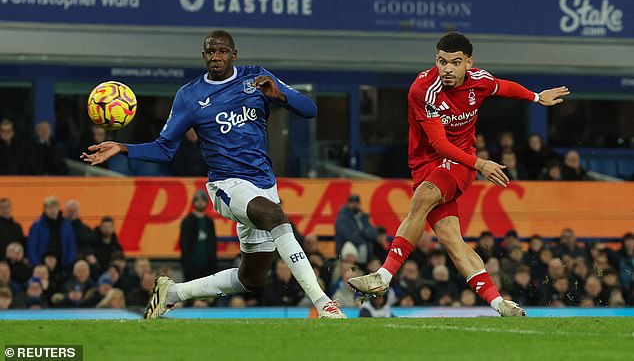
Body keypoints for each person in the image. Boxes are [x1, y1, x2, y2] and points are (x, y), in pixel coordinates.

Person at [81, 30, 344, 319]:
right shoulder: (190, 95)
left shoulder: (256, 78)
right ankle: (324, 303)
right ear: (204, 55)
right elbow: (165, 149)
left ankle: (172, 294)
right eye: (210, 52)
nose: (215, 57)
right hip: (226, 185)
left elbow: (310, 109)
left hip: (264, 185)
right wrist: (121, 147)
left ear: (234, 54)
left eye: (221, 51)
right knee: (276, 217)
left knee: (252, 278)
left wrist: (279, 96)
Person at [349, 32, 569, 317]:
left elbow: (503, 86)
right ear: (435, 59)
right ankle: (499, 303)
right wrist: (482, 164)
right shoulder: (423, 90)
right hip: (427, 163)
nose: (447, 69)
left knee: (423, 197)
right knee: (452, 241)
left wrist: (537, 97)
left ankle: (383, 276)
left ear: (469, 63)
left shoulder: (479, 80)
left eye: (455, 62)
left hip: (459, 161)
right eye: (442, 61)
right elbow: (439, 144)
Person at [27, 196, 77, 271]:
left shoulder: (66, 226)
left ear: (58, 209)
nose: (52, 210)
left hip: (63, 266)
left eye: (54, 207)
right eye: (49, 208)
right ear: (45, 209)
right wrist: (37, 264)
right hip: (41, 267)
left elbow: (72, 245)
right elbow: (32, 247)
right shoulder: (36, 226)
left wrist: (68, 263)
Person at [179, 190, 217, 281]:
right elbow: (184, 243)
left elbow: (212, 243)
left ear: (206, 203)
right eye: (197, 200)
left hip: (207, 265)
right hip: (191, 266)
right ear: (194, 202)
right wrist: (186, 263)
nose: (200, 203)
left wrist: (213, 262)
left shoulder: (209, 221)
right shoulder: (187, 220)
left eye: (202, 200)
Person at [334, 194, 377, 265]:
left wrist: (362, 233)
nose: (354, 205)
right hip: (347, 256)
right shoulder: (342, 218)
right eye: (352, 202)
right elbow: (347, 235)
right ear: (347, 203)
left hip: (365, 256)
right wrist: (363, 238)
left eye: (356, 202)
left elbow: (374, 234)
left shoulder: (362, 217)